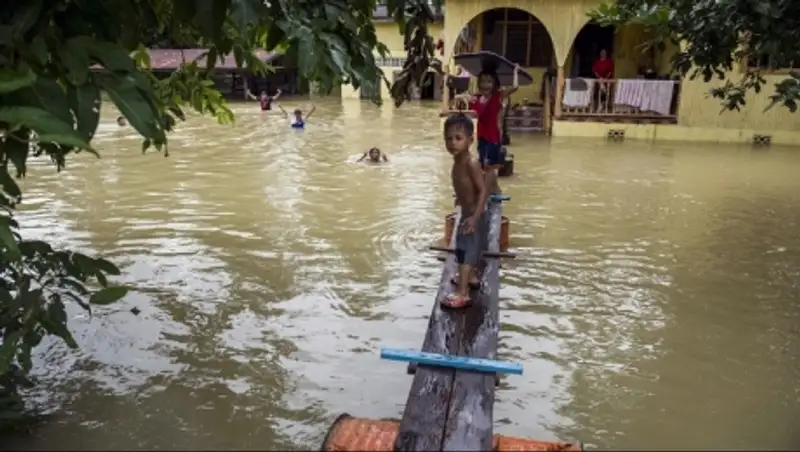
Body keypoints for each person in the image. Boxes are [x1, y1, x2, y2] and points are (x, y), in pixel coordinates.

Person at [442, 113, 489, 309]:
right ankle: (470, 278)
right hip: (467, 211)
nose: (453, 143)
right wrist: (460, 198)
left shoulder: (471, 162)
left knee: (464, 251)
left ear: (470, 140)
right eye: (449, 138)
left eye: (458, 138)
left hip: (473, 215)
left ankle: (462, 294)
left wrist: (475, 217)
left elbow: (483, 191)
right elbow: (465, 186)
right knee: (470, 248)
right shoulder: (457, 161)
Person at [453, 65, 519, 197]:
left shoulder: (497, 96)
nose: (486, 85)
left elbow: (515, 87)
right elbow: (457, 99)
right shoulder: (475, 98)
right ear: (479, 83)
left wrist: (515, 71)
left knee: (491, 169)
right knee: (483, 167)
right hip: (482, 137)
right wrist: (462, 97)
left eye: (489, 81)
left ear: (494, 83)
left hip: (494, 138)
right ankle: (488, 191)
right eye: (483, 81)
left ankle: (495, 192)